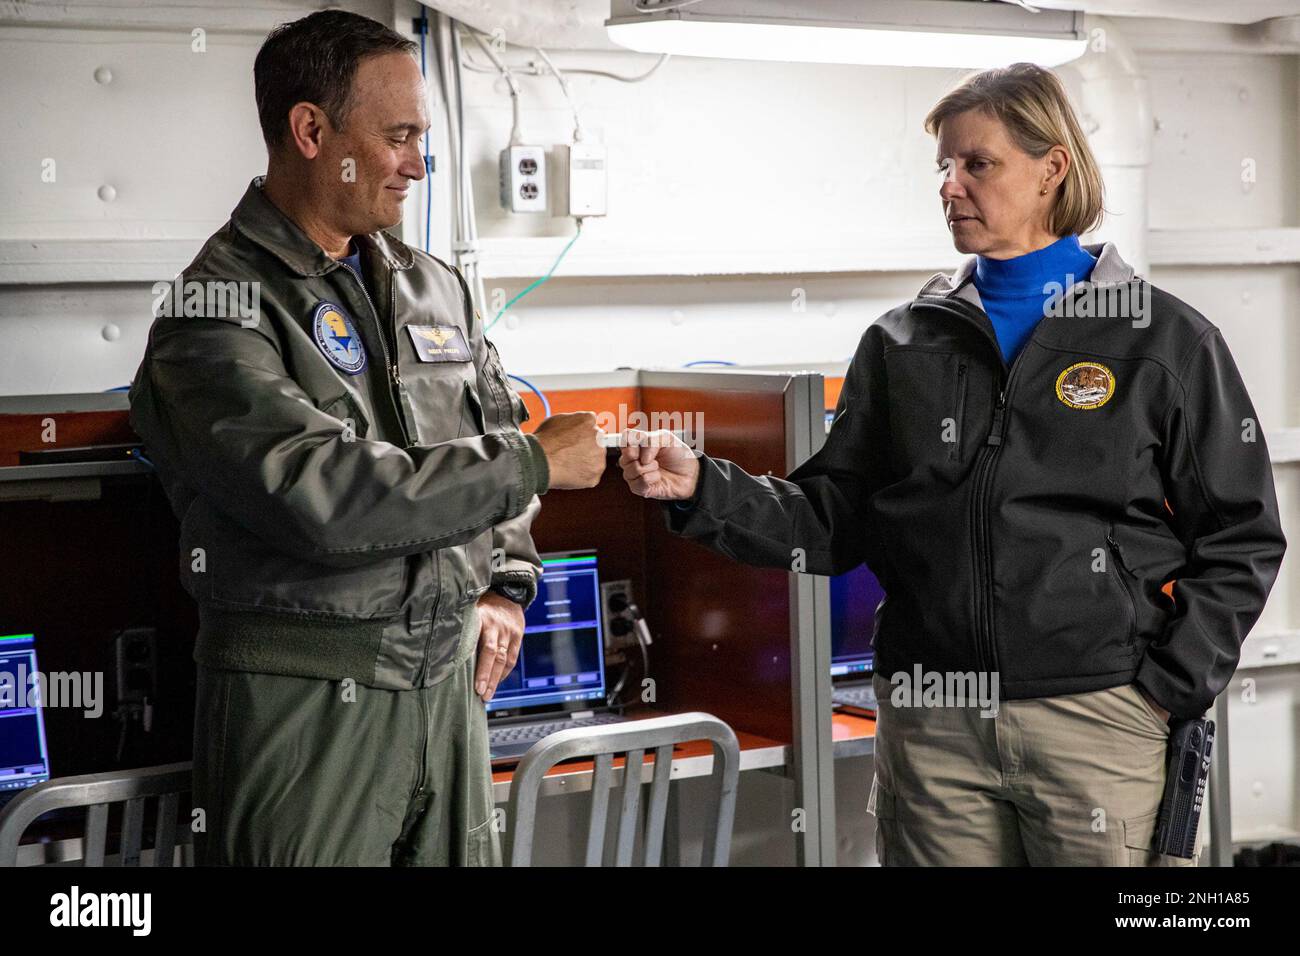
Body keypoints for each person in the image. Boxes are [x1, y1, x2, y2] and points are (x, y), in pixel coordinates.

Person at [619, 63, 1286, 866]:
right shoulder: (904, 341)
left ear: (1053, 169)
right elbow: (833, 521)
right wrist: (702, 486)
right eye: (943, 165)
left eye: (978, 163)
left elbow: (1244, 535)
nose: (951, 186)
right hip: (933, 723)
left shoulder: (1161, 340)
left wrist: (1164, 688)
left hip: (1099, 717)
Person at [128, 10, 606, 866]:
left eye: (422, 137)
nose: (419, 165)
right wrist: (533, 460)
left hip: (449, 690)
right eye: (399, 137)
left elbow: (483, 431)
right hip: (304, 704)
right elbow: (325, 498)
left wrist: (504, 582)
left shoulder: (434, 289)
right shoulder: (215, 313)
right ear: (311, 131)